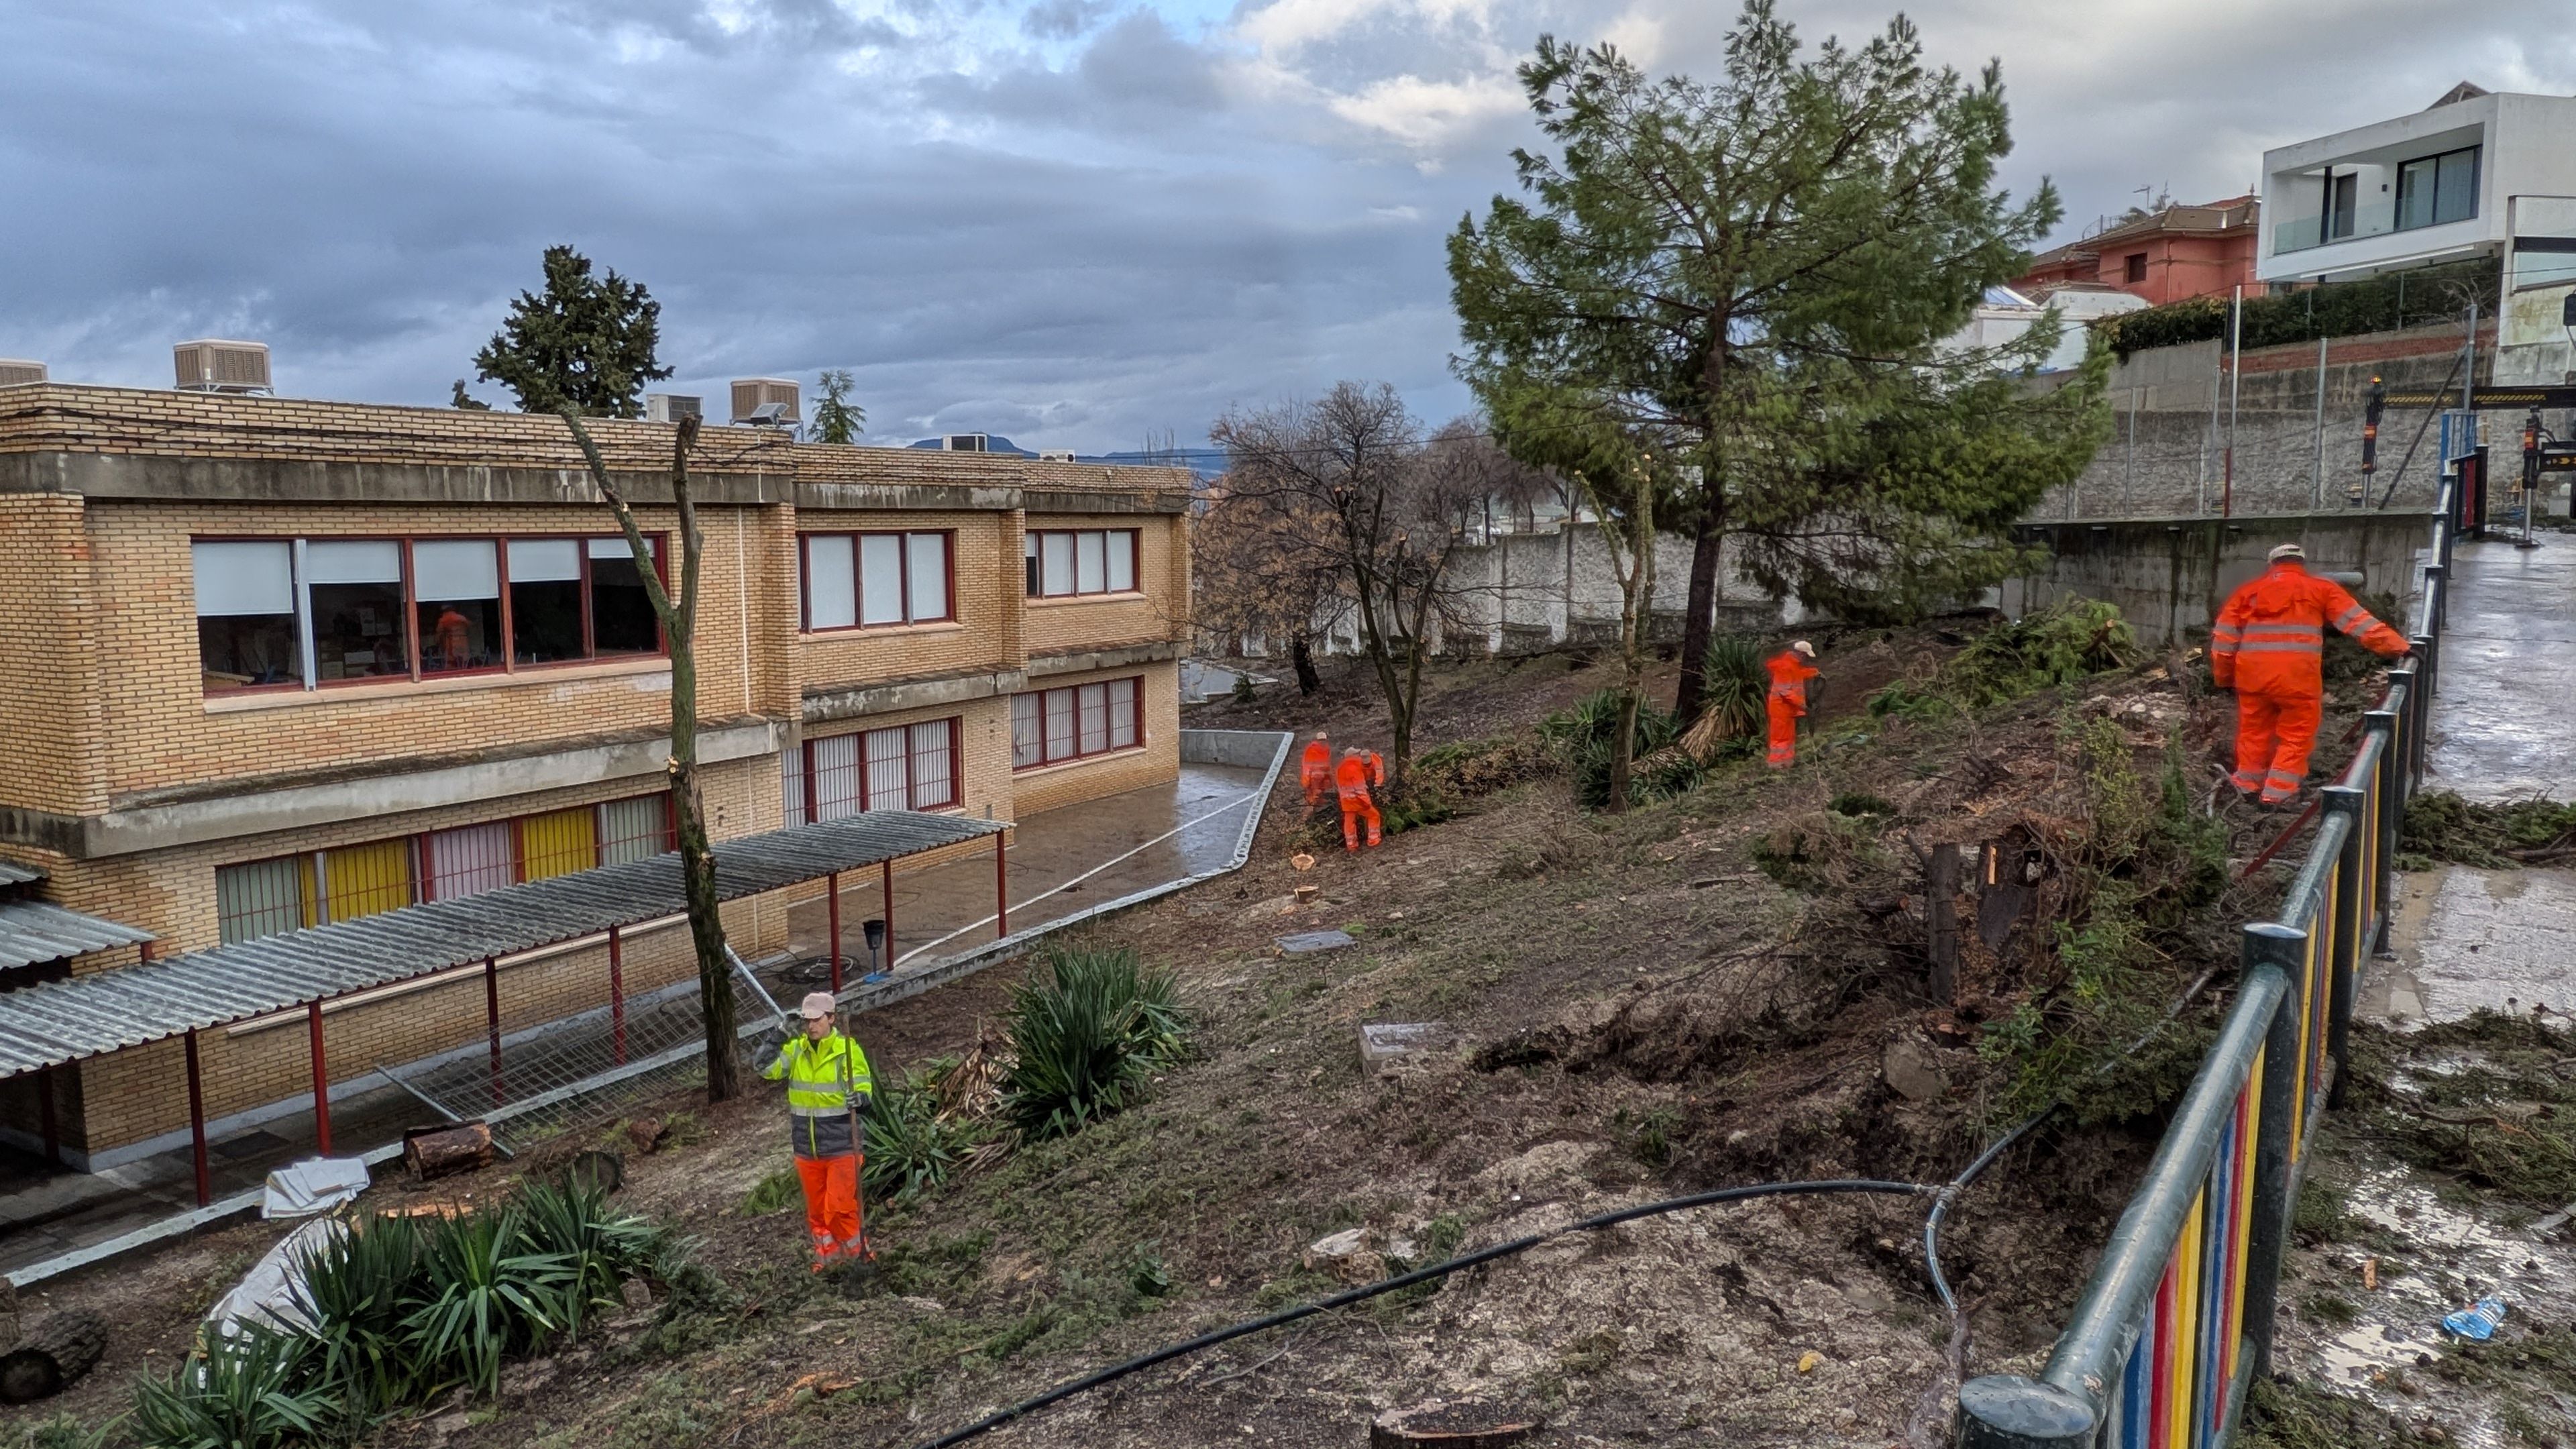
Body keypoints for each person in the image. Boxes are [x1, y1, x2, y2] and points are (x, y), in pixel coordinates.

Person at [2211, 542, 2411, 806]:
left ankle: (2247, 784)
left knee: (2253, 732)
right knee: (2296, 735)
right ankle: (2277, 794)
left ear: (2272, 565)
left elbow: (2224, 643)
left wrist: (2224, 678)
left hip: (2253, 680)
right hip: (2298, 682)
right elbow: (2360, 625)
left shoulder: (2247, 593)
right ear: (2301, 563)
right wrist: (2401, 648)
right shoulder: (2321, 589)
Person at [759, 992, 875, 1271]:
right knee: (818, 1216)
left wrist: (859, 1098)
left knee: (838, 1210)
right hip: (807, 1149)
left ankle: (862, 1261)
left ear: (831, 1019)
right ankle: (829, 1265)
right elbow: (763, 1067)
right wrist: (780, 1033)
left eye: (817, 1020)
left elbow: (864, 1091)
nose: (811, 1026)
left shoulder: (846, 1050)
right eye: (806, 1020)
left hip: (843, 1147)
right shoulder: (797, 1050)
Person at [1764, 641, 1821, 769]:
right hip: (1780, 709)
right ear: (1801, 654)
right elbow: (1785, 691)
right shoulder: (1785, 667)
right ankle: (1776, 763)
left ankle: (1787, 762)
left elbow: (1798, 675)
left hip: (1788, 709)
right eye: (1805, 655)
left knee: (1789, 737)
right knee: (1780, 738)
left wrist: (1813, 672)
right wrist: (1802, 705)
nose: (1806, 658)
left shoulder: (1792, 665)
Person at [1335, 745, 1384, 852]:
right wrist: (1367, 802)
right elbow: (1360, 789)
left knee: (1349, 822)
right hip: (1358, 801)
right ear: (1353, 756)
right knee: (1374, 815)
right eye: (1357, 755)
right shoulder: (1355, 768)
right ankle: (1373, 839)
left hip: (1346, 801)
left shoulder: (1340, 768)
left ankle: (1351, 844)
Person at [432, 604, 472, 670]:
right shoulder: (463, 618)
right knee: (464, 666)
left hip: (451, 648)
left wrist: (437, 642)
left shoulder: (443, 620)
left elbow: (438, 636)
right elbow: (469, 630)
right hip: (464, 647)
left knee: (450, 667)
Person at [1301, 731, 1333, 807]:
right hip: (1315, 774)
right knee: (1314, 790)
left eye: (1324, 740)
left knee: (1322, 788)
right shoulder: (1312, 749)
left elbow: (1327, 760)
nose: (1322, 742)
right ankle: (1313, 804)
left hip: (1322, 773)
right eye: (1321, 740)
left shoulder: (1326, 749)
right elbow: (1307, 763)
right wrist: (1307, 775)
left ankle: (1318, 803)